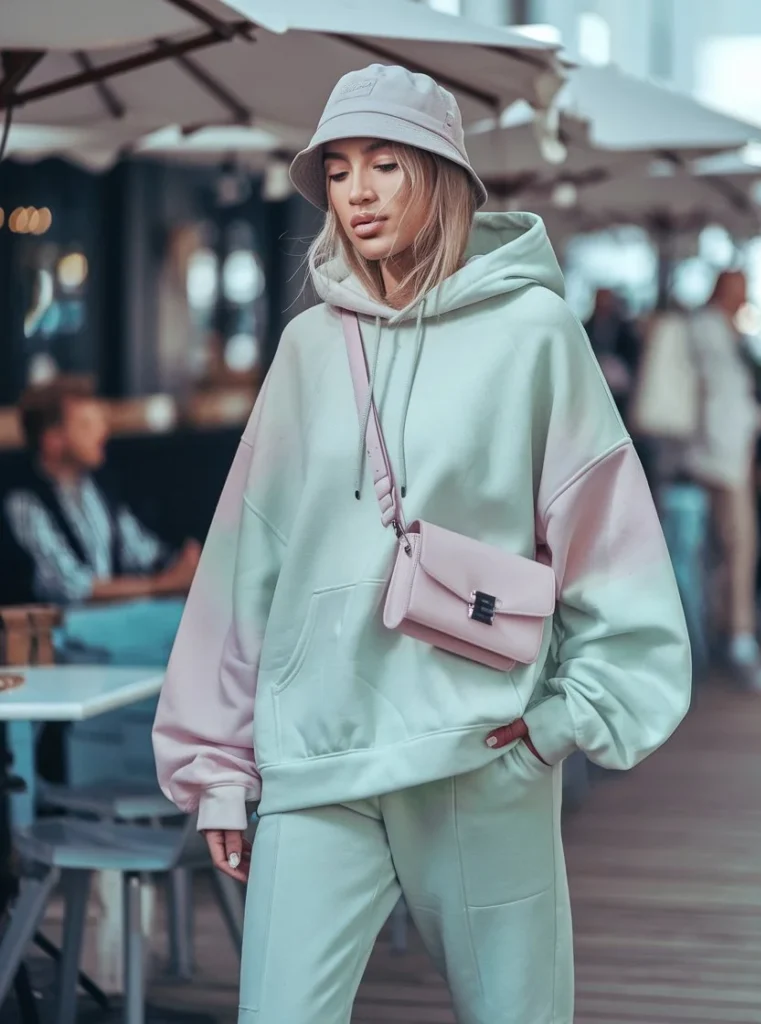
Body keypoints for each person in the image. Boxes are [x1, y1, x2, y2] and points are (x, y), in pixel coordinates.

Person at [153, 65, 691, 1024]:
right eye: (339, 170)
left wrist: (561, 724)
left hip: (477, 756)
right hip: (317, 762)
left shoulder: (534, 334)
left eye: (386, 165)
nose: (357, 191)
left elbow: (609, 543)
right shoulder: (309, 350)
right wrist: (219, 772)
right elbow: (245, 566)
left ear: (439, 176)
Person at [3, 377, 201, 606]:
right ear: (53, 440)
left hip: (110, 623)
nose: (102, 433)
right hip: (59, 632)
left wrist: (183, 562)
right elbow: (72, 586)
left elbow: (140, 549)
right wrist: (163, 585)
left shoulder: (99, 490)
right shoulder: (24, 502)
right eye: (86, 425)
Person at [682, 271, 761, 691]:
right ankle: (736, 636)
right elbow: (720, 400)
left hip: (717, 456)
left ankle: (728, 632)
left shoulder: (715, 330)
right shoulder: (707, 331)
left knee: (723, 551)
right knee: (737, 547)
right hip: (719, 459)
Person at [583, 287, 642, 417]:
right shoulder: (584, 328)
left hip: (618, 393)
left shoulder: (625, 331)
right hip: (592, 388)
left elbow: (633, 356)